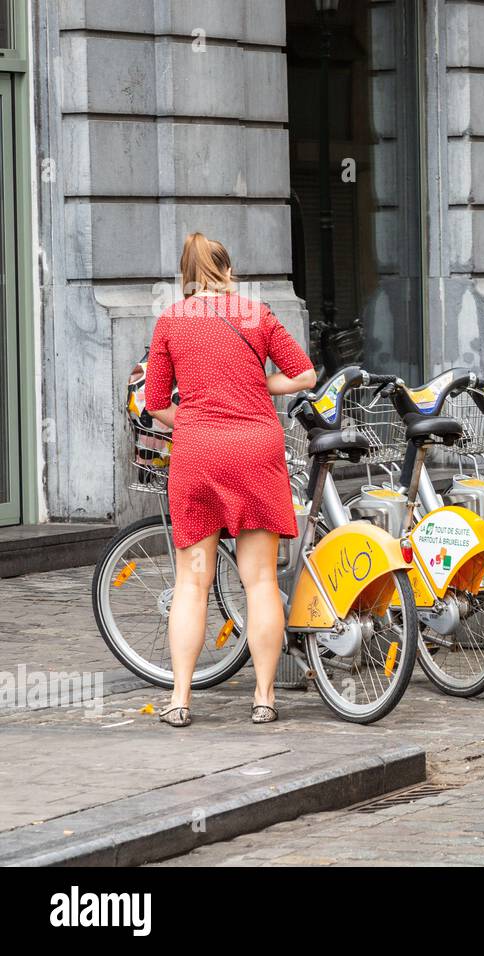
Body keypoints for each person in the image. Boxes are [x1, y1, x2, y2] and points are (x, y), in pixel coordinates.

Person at [144, 233, 317, 727]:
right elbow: (304, 375)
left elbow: (157, 404)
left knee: (191, 583)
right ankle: (264, 697)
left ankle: (179, 698)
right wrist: (256, 385)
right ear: (226, 268)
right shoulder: (255, 314)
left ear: (187, 272)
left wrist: (199, 419)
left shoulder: (171, 320)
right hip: (255, 451)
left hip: (198, 455)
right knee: (260, 580)